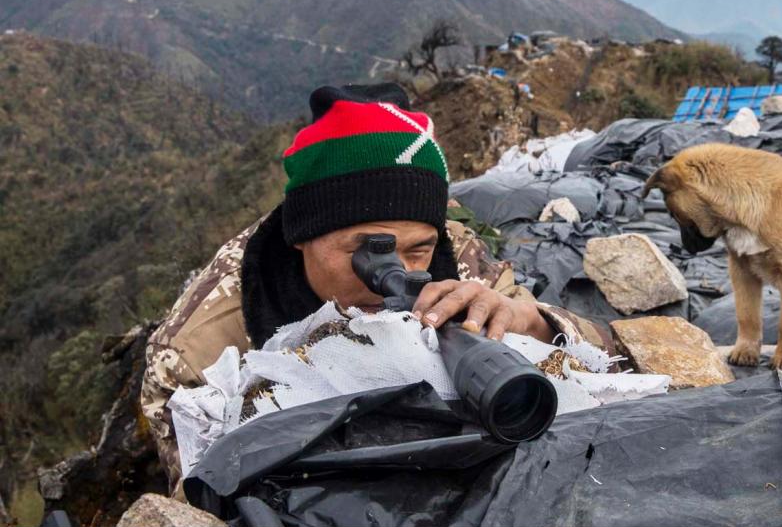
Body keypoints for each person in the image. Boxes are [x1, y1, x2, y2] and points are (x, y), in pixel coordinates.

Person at [141, 83, 613, 493]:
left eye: (418, 250)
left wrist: (532, 323)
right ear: (302, 235)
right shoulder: (197, 349)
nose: (397, 272)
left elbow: (608, 349)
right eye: (367, 251)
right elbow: (203, 496)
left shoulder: (460, 257)